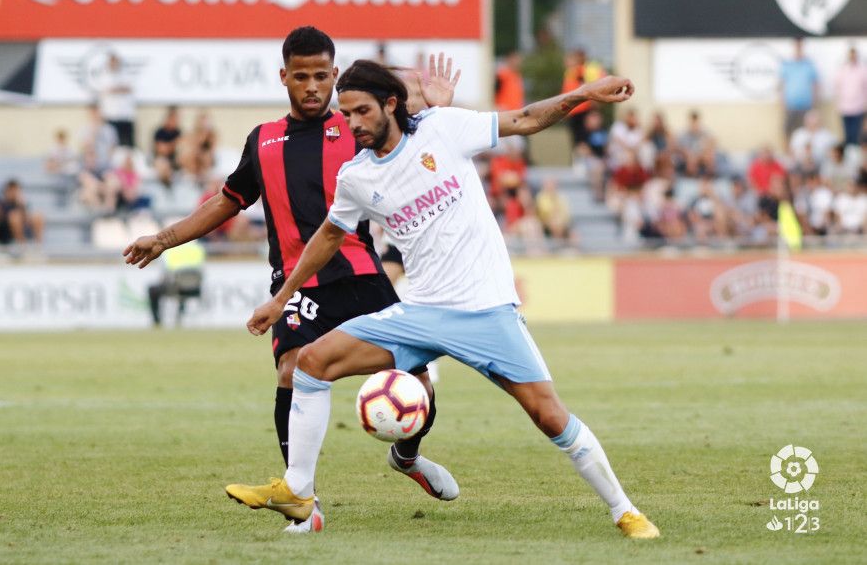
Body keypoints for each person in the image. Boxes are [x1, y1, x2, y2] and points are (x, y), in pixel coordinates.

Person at [241, 60, 659, 538]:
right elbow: (329, 237)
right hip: (418, 312)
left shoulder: (444, 126)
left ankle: (624, 510)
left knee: (549, 416)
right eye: (346, 113)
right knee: (310, 363)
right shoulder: (356, 176)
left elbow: (524, 119)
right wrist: (281, 299)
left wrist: (585, 92)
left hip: (485, 311)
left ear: (390, 105)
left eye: (361, 111)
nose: (351, 123)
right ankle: (299, 491)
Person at [123, 27, 462, 533]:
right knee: (291, 370)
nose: (312, 86)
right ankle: (303, 502)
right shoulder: (263, 141)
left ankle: (407, 457)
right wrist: (166, 237)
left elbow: (427, 151)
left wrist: (438, 111)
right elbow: (226, 201)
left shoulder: (357, 129)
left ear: (334, 74)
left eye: (321, 76)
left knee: (419, 391)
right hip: (296, 285)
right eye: (300, 76)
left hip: (361, 277)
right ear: (284, 76)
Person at [780, 39, 819, 140]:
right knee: (787, 130)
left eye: (800, 46)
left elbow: (815, 85)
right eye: (796, 46)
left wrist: (814, 104)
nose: (798, 49)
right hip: (790, 105)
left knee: (806, 132)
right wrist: (783, 103)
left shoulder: (809, 64)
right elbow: (782, 85)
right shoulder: (787, 64)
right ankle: (789, 154)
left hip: (806, 105)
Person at [95, 53, 136, 147]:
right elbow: (106, 90)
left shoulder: (126, 74)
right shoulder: (104, 76)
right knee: (112, 144)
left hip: (126, 116)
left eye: (116, 62)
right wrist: (120, 89)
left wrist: (115, 90)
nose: (114, 65)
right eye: (112, 62)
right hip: (110, 116)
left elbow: (130, 89)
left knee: (129, 145)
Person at [833, 46, 867, 147]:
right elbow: (837, 88)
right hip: (845, 108)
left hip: (858, 108)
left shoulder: (863, 70)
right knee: (847, 136)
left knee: (856, 135)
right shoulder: (842, 70)